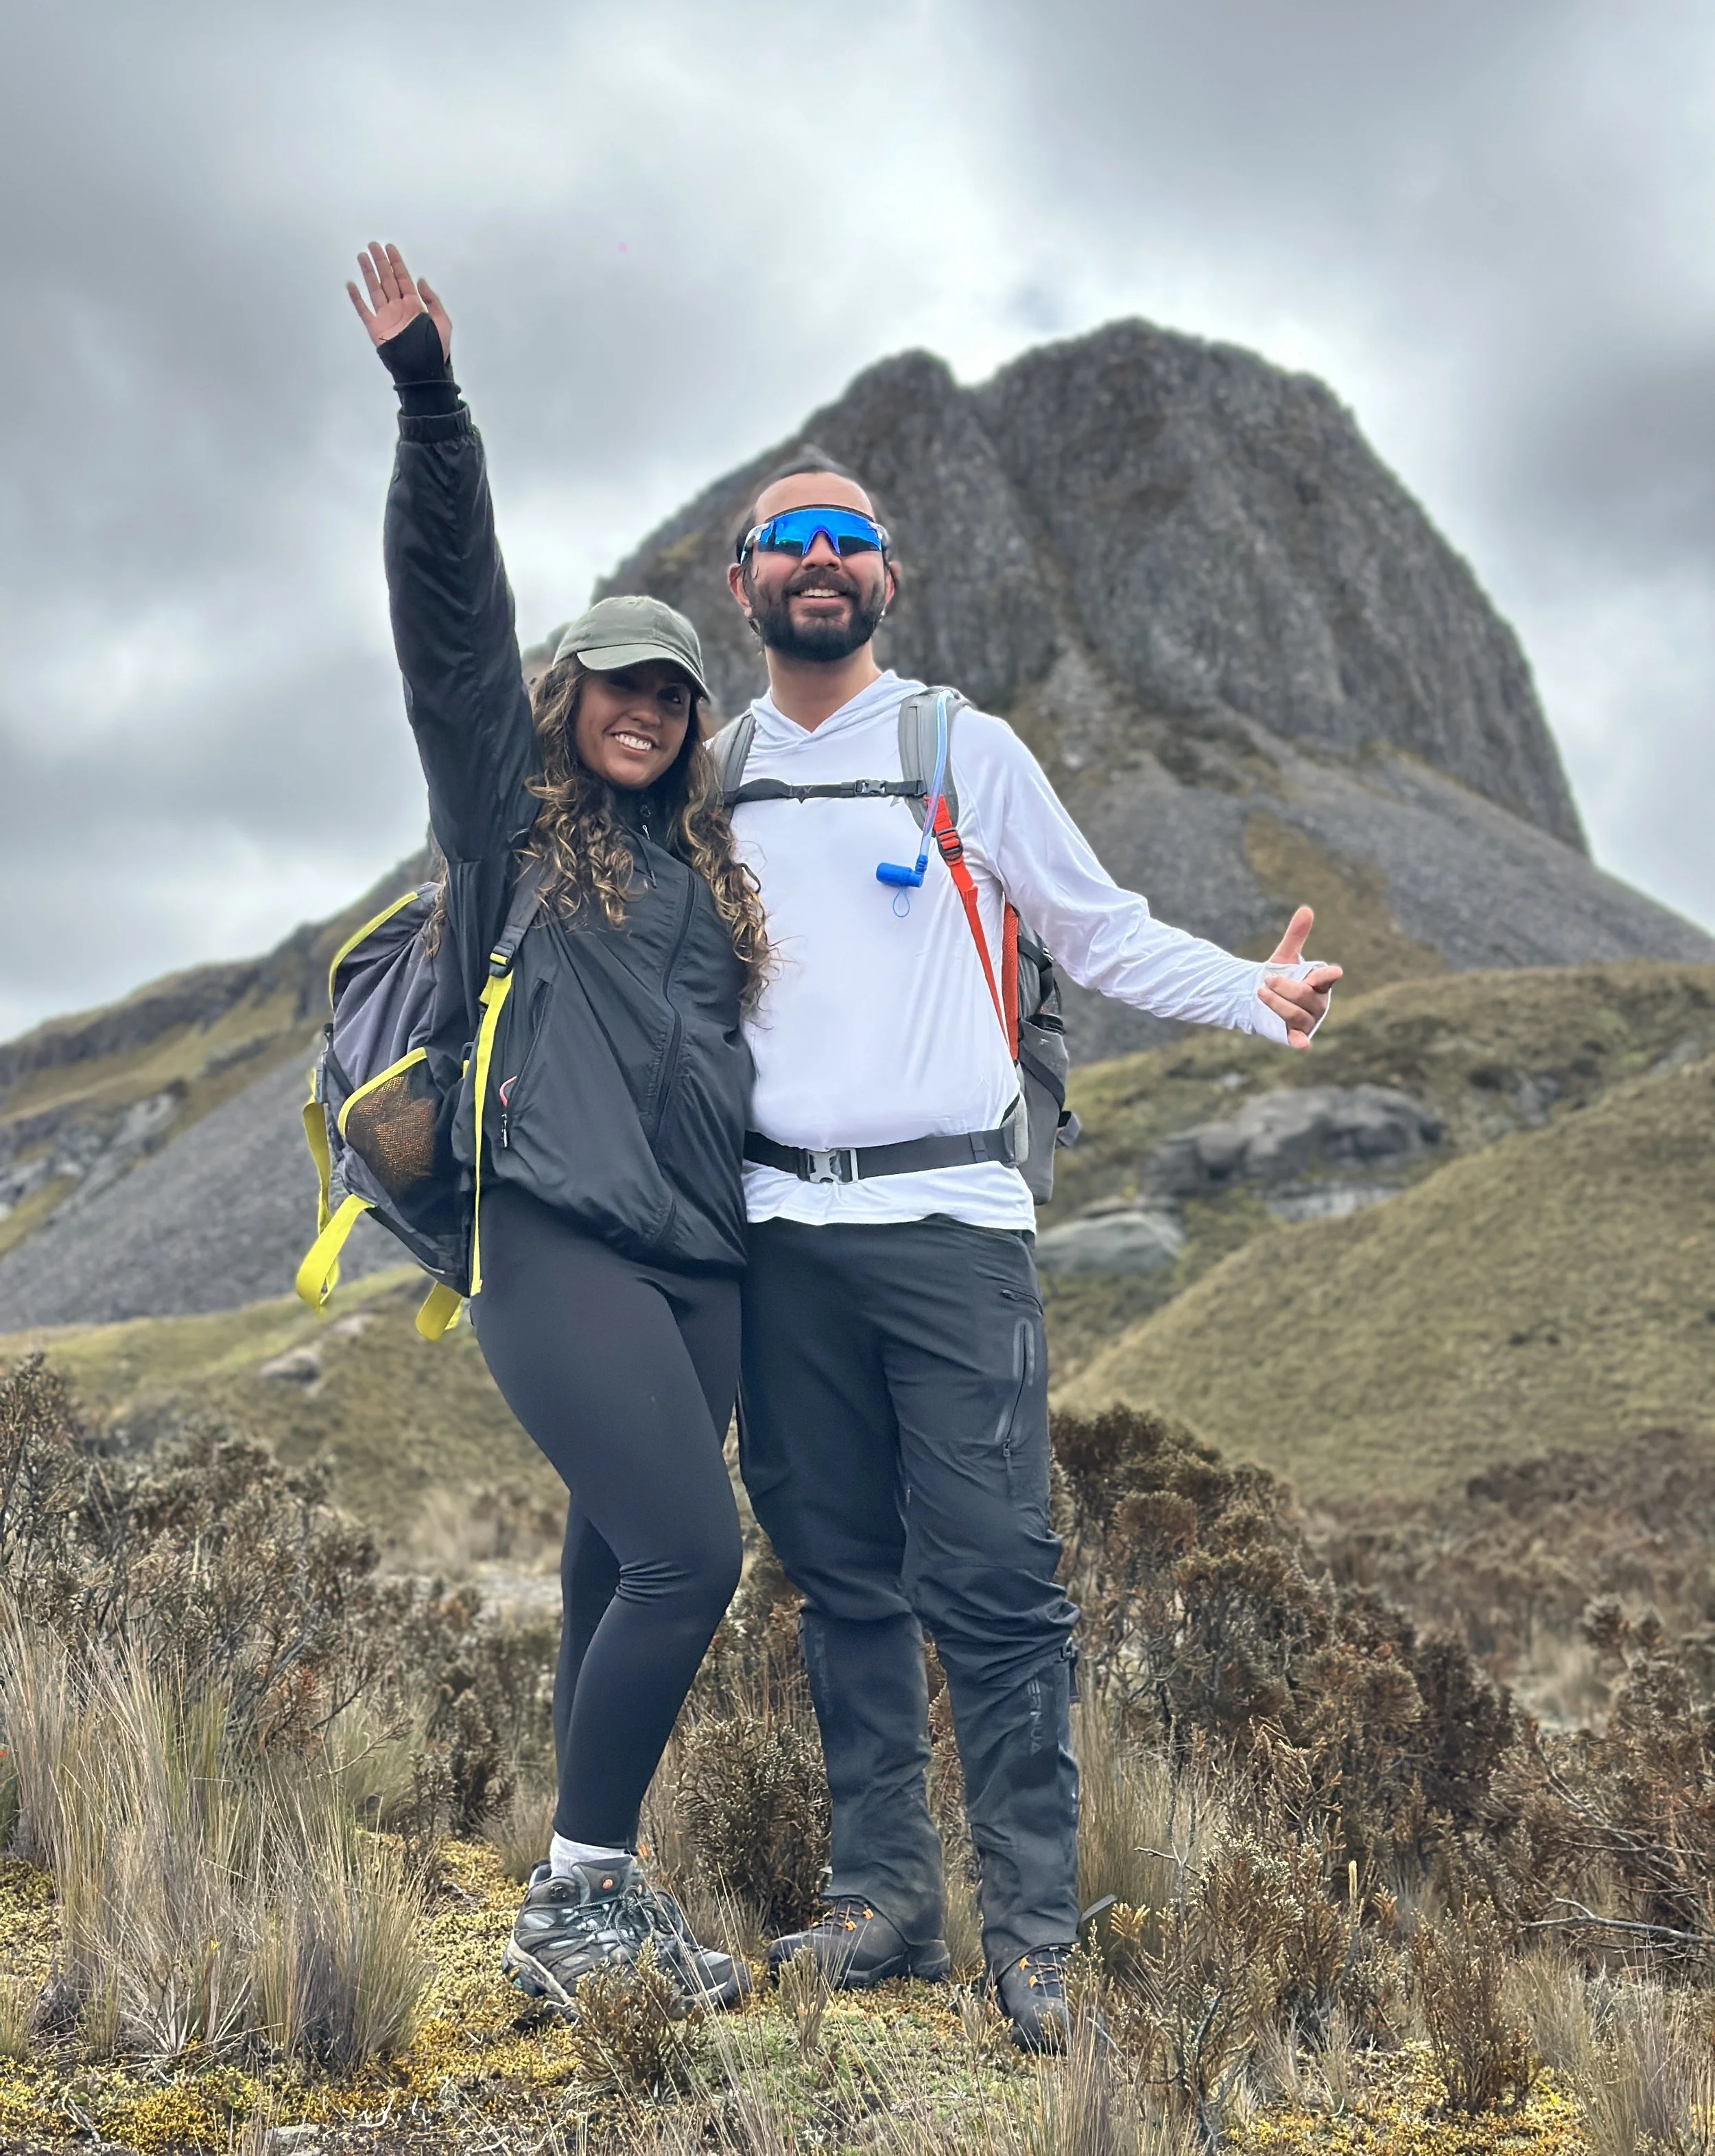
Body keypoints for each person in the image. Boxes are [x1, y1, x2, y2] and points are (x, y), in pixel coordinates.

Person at [720, 457, 1343, 2048]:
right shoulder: (704, 777)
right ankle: (881, 1908)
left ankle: (1037, 1941)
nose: (816, 560)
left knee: (997, 1583)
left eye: (845, 539)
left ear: (887, 577)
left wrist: (1247, 994)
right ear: (743, 586)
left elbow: (1097, 927)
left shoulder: (959, 751)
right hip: (777, 1230)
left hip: (950, 1227)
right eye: (785, 541)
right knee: (841, 1580)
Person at [346, 242, 767, 2015]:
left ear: (688, 731)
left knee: (617, 1568)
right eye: (616, 678)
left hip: (701, 1266)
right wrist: (432, 405)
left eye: (671, 693)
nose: (642, 706)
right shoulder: (504, 829)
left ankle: (586, 1894)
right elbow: (452, 622)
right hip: (555, 1239)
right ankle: (578, 1900)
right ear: (569, 692)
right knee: (695, 1553)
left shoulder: (708, 883)